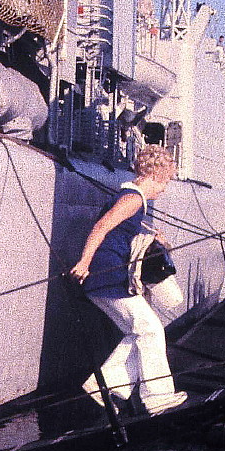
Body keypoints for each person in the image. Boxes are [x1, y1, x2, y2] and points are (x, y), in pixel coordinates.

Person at [69, 145, 187, 416]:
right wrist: (85, 263)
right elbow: (102, 227)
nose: (165, 188)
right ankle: (156, 397)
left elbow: (121, 225)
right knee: (151, 330)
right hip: (106, 274)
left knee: (142, 331)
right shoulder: (134, 198)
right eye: (166, 181)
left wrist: (152, 233)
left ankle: (106, 386)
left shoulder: (134, 198)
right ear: (155, 174)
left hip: (112, 274)